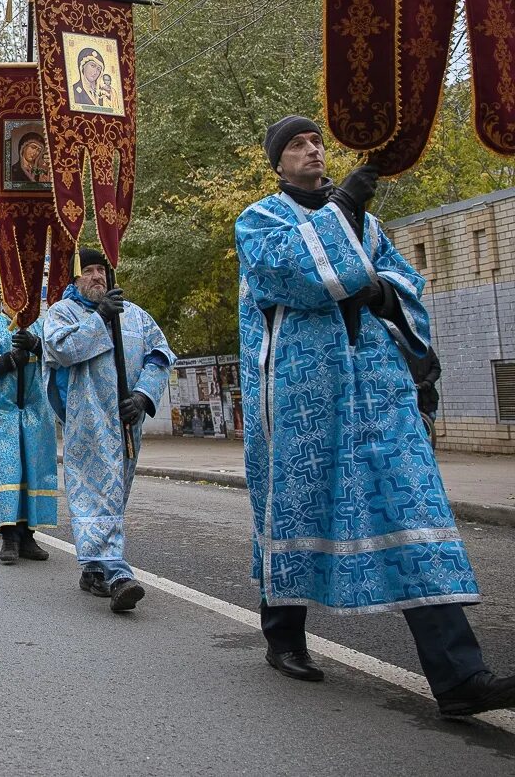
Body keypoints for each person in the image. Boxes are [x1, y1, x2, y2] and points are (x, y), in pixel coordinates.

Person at [236, 116, 515, 715]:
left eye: (315, 141)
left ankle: (460, 678)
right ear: (277, 164)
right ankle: (283, 635)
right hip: (304, 404)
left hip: (379, 395)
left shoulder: (367, 225)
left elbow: (400, 282)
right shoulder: (261, 219)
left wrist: (381, 291)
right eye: (296, 145)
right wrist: (343, 210)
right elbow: (294, 275)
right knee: (295, 509)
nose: (311, 149)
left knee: (412, 511)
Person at [43, 248, 174, 613]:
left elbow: (161, 354)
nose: (98, 276)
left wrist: (143, 396)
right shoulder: (62, 313)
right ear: (74, 278)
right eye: (89, 271)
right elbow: (60, 351)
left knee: (115, 494)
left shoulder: (135, 315)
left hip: (127, 419)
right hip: (88, 420)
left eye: (102, 270)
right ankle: (118, 574)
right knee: (98, 492)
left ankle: (93, 568)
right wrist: (98, 318)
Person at [0, 301, 57, 563]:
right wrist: (5, 361)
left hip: (36, 408)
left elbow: (59, 356)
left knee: (34, 467)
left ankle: (28, 536)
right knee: (6, 469)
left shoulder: (41, 325)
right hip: (0, 411)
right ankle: (9, 536)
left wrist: (37, 346)